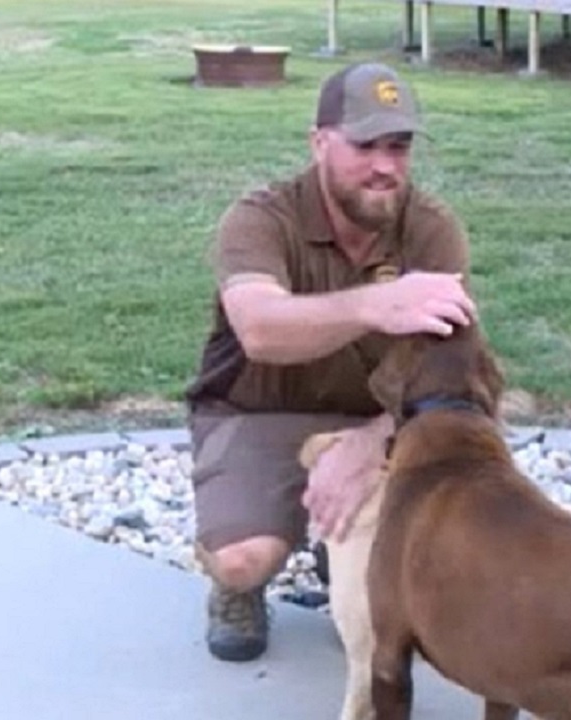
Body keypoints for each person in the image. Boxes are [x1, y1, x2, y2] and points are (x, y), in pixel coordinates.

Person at [183, 61, 478, 662]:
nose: (386, 167)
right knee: (244, 559)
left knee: (462, 559)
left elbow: (457, 374)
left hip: (381, 420)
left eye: (399, 147)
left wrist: (375, 443)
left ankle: (341, 547)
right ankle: (235, 588)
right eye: (365, 146)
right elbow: (260, 330)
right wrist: (378, 304)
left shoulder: (431, 228)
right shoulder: (261, 219)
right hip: (258, 411)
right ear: (319, 143)